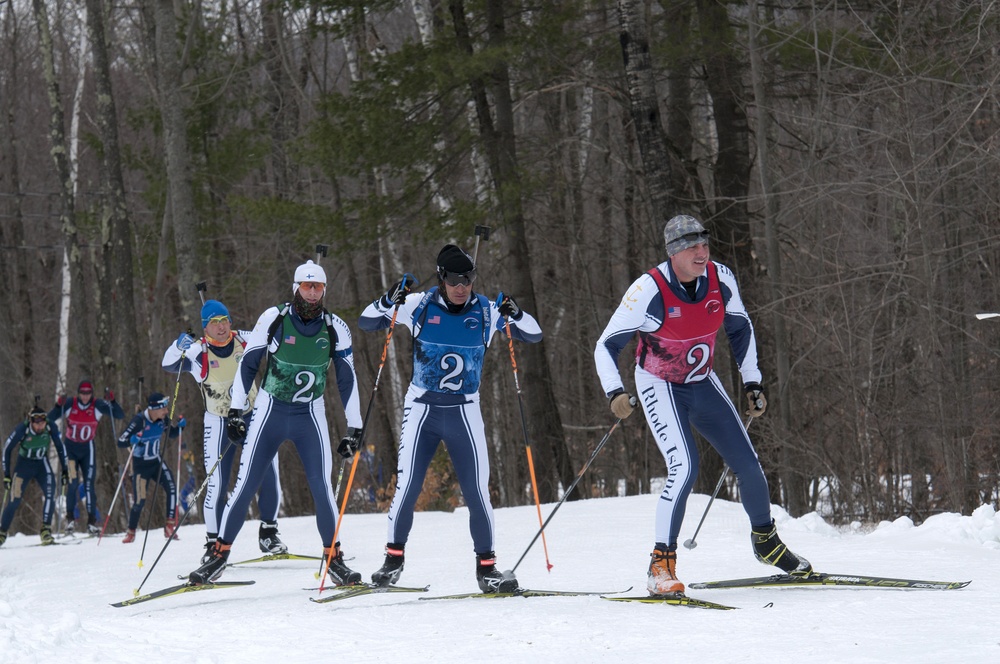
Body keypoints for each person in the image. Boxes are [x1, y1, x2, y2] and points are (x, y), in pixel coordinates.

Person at [594, 214, 812, 596]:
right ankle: (660, 564)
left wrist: (752, 381)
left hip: (702, 381)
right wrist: (615, 391)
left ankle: (766, 542)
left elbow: (740, 327)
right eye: (691, 246)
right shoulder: (649, 289)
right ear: (673, 253)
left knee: (748, 463)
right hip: (660, 383)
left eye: (704, 244)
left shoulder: (720, 278)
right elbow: (605, 345)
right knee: (685, 465)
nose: (701, 252)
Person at [358, 244, 543, 593]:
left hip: (463, 410)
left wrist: (515, 313)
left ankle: (486, 568)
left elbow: (534, 334)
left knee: (476, 491)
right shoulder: (419, 306)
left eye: (469, 279)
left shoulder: (487, 312)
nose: (463, 287)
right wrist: (388, 299)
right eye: (456, 280)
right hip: (422, 410)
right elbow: (367, 322)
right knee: (408, 485)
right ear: (443, 279)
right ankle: (393, 560)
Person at [187, 259, 364, 586]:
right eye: (307, 286)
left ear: (325, 290)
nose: (312, 293)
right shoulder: (274, 318)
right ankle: (218, 556)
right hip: (270, 412)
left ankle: (333, 558)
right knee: (244, 486)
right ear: (295, 288)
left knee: (322, 488)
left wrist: (354, 427)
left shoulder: (335, 327)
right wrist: (236, 411)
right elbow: (249, 364)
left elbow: (347, 380)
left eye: (318, 287)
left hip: (310, 415)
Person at [162, 299, 286, 564]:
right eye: (214, 323)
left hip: (251, 415)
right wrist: (177, 346)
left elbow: (277, 337)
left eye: (224, 321)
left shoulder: (244, 339)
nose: (220, 327)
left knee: (268, 471)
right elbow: (168, 364)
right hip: (218, 421)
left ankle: (269, 532)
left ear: (230, 321)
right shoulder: (198, 351)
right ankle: (213, 543)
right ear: (205, 328)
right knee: (217, 483)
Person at [48, 379, 125, 535]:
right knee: (73, 483)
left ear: (92, 393)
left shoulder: (97, 405)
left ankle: (91, 523)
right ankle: (70, 520)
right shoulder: (70, 403)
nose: (85, 396)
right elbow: (50, 417)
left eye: (88, 393)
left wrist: (113, 401)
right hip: (70, 449)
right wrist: (58, 405)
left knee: (89, 485)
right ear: (78, 393)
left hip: (87, 449)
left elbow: (119, 414)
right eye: (82, 393)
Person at [116, 392, 186, 543]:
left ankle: (169, 526)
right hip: (141, 466)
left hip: (157, 462)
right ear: (154, 409)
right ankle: (131, 531)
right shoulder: (139, 421)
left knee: (172, 488)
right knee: (139, 501)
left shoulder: (163, 419)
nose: (166, 412)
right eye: (163, 409)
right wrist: (132, 440)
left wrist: (180, 428)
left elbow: (171, 434)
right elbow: (121, 441)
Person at [1, 406, 69, 546]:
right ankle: (2, 532)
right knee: (14, 500)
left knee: (51, 493)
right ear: (31, 422)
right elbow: (7, 449)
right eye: (37, 423)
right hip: (23, 466)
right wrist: (7, 475)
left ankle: (45, 530)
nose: (40, 426)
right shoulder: (23, 429)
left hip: (41, 464)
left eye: (42, 423)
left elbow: (60, 447)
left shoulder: (50, 427)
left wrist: (65, 470)